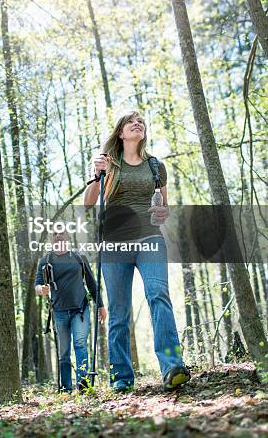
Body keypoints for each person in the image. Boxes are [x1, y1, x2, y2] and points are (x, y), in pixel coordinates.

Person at [84, 111, 190, 393]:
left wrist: (162, 212)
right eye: (131, 122)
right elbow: (88, 202)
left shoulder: (156, 166)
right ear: (121, 132)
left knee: (159, 295)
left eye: (141, 121)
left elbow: (163, 209)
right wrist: (96, 175)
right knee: (119, 311)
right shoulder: (108, 164)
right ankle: (121, 378)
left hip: (150, 239)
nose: (137, 124)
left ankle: (172, 366)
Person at [35, 230, 107, 393]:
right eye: (54, 234)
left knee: (80, 344)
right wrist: (42, 290)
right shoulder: (45, 261)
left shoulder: (79, 257)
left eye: (62, 233)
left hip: (80, 310)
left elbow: (91, 283)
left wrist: (100, 305)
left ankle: (83, 385)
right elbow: (37, 285)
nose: (58, 236)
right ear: (51, 239)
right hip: (58, 312)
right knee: (64, 351)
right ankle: (65, 388)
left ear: (68, 237)